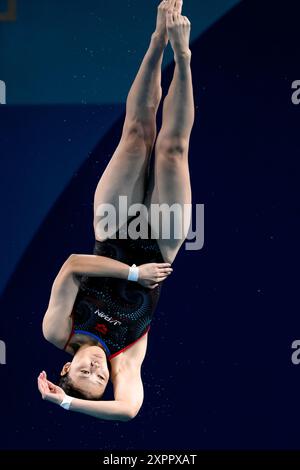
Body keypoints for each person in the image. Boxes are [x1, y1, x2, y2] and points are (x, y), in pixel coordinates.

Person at [37, 0, 195, 421]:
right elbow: (128, 411)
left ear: (66, 368)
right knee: (172, 150)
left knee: (137, 132)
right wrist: (65, 402)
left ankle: (157, 41)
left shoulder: (58, 331)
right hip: (161, 243)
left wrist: (131, 274)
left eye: (82, 374)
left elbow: (72, 265)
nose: (95, 370)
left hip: (112, 229)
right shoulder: (125, 359)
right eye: (99, 380)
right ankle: (182, 55)